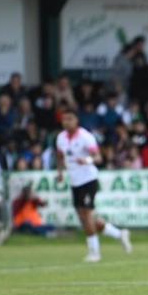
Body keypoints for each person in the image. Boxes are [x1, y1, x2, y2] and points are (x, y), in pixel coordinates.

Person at [55, 107, 132, 262]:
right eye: (64, 119)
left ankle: (94, 252)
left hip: (88, 179)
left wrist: (87, 160)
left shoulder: (85, 137)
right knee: (84, 218)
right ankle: (119, 234)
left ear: (76, 120)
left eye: (70, 119)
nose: (67, 122)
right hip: (74, 181)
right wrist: (60, 173)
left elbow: (98, 157)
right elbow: (60, 156)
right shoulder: (61, 138)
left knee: (87, 214)